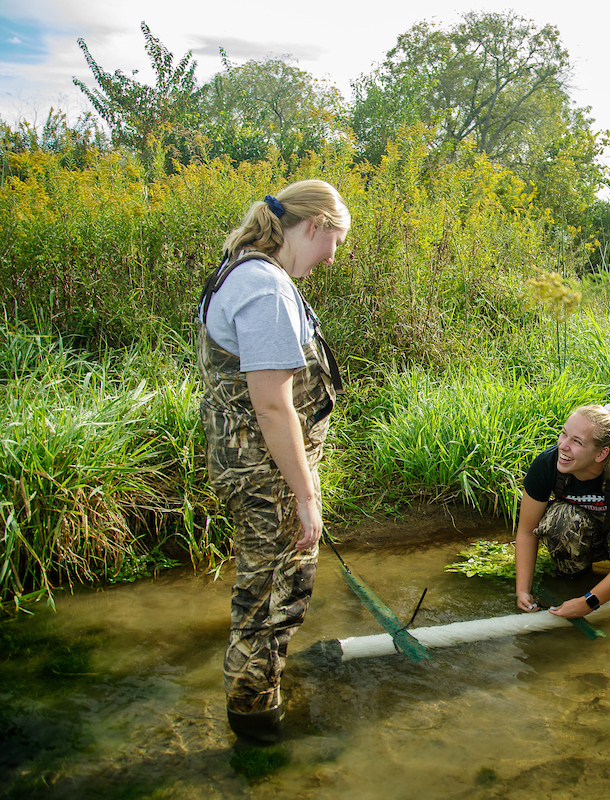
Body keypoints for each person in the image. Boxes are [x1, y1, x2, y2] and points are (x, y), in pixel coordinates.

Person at [196, 179, 350, 745]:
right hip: (268, 479)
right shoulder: (265, 288)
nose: (332, 257)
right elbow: (271, 402)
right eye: (333, 242)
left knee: (264, 594)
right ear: (312, 226)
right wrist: (307, 500)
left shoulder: (242, 269)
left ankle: (260, 699)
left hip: (256, 469)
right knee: (268, 604)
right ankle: (257, 724)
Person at [515, 403, 610, 618]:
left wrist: (589, 602)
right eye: (564, 434)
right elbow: (526, 531)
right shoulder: (546, 464)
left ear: (601, 454)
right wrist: (522, 590)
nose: (563, 446)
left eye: (577, 442)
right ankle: (573, 581)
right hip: (581, 535)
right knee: (562, 519)